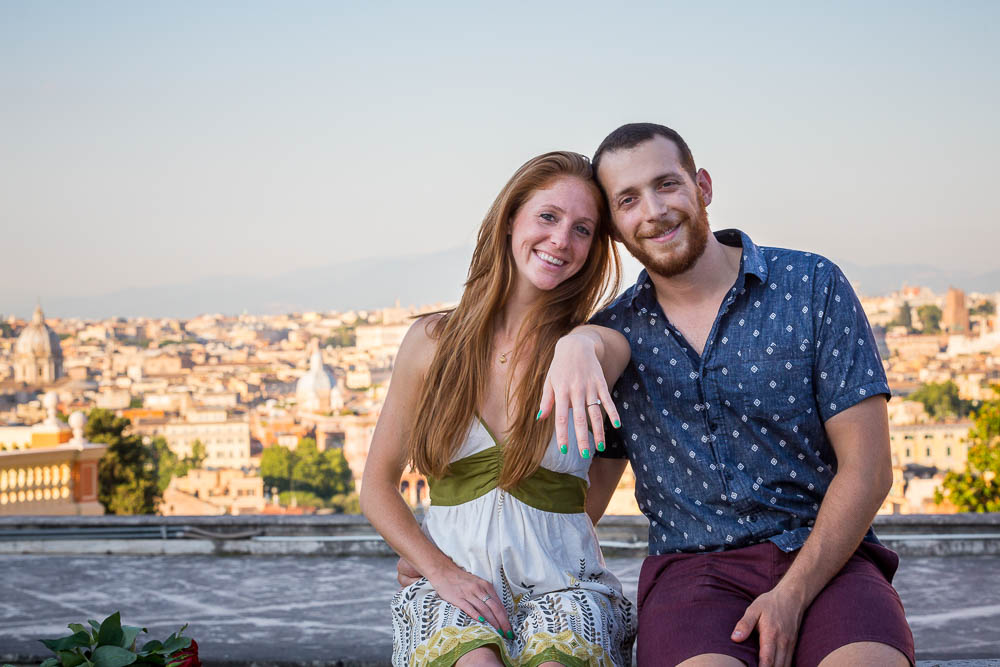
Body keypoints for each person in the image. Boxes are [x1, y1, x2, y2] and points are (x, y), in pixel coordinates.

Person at [537, 124, 915, 667]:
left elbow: (870, 468)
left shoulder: (810, 285)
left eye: (666, 184)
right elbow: (581, 498)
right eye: (628, 200)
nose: (654, 210)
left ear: (703, 187)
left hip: (830, 559)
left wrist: (792, 593)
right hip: (691, 576)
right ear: (616, 229)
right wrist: (455, 561)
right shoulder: (616, 337)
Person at [360, 151, 637, 667]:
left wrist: (578, 343)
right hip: (453, 587)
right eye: (548, 217)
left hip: (565, 589)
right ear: (511, 219)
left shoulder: (600, 349)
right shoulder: (430, 342)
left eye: (582, 229)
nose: (561, 240)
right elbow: (377, 486)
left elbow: (596, 486)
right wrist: (436, 564)